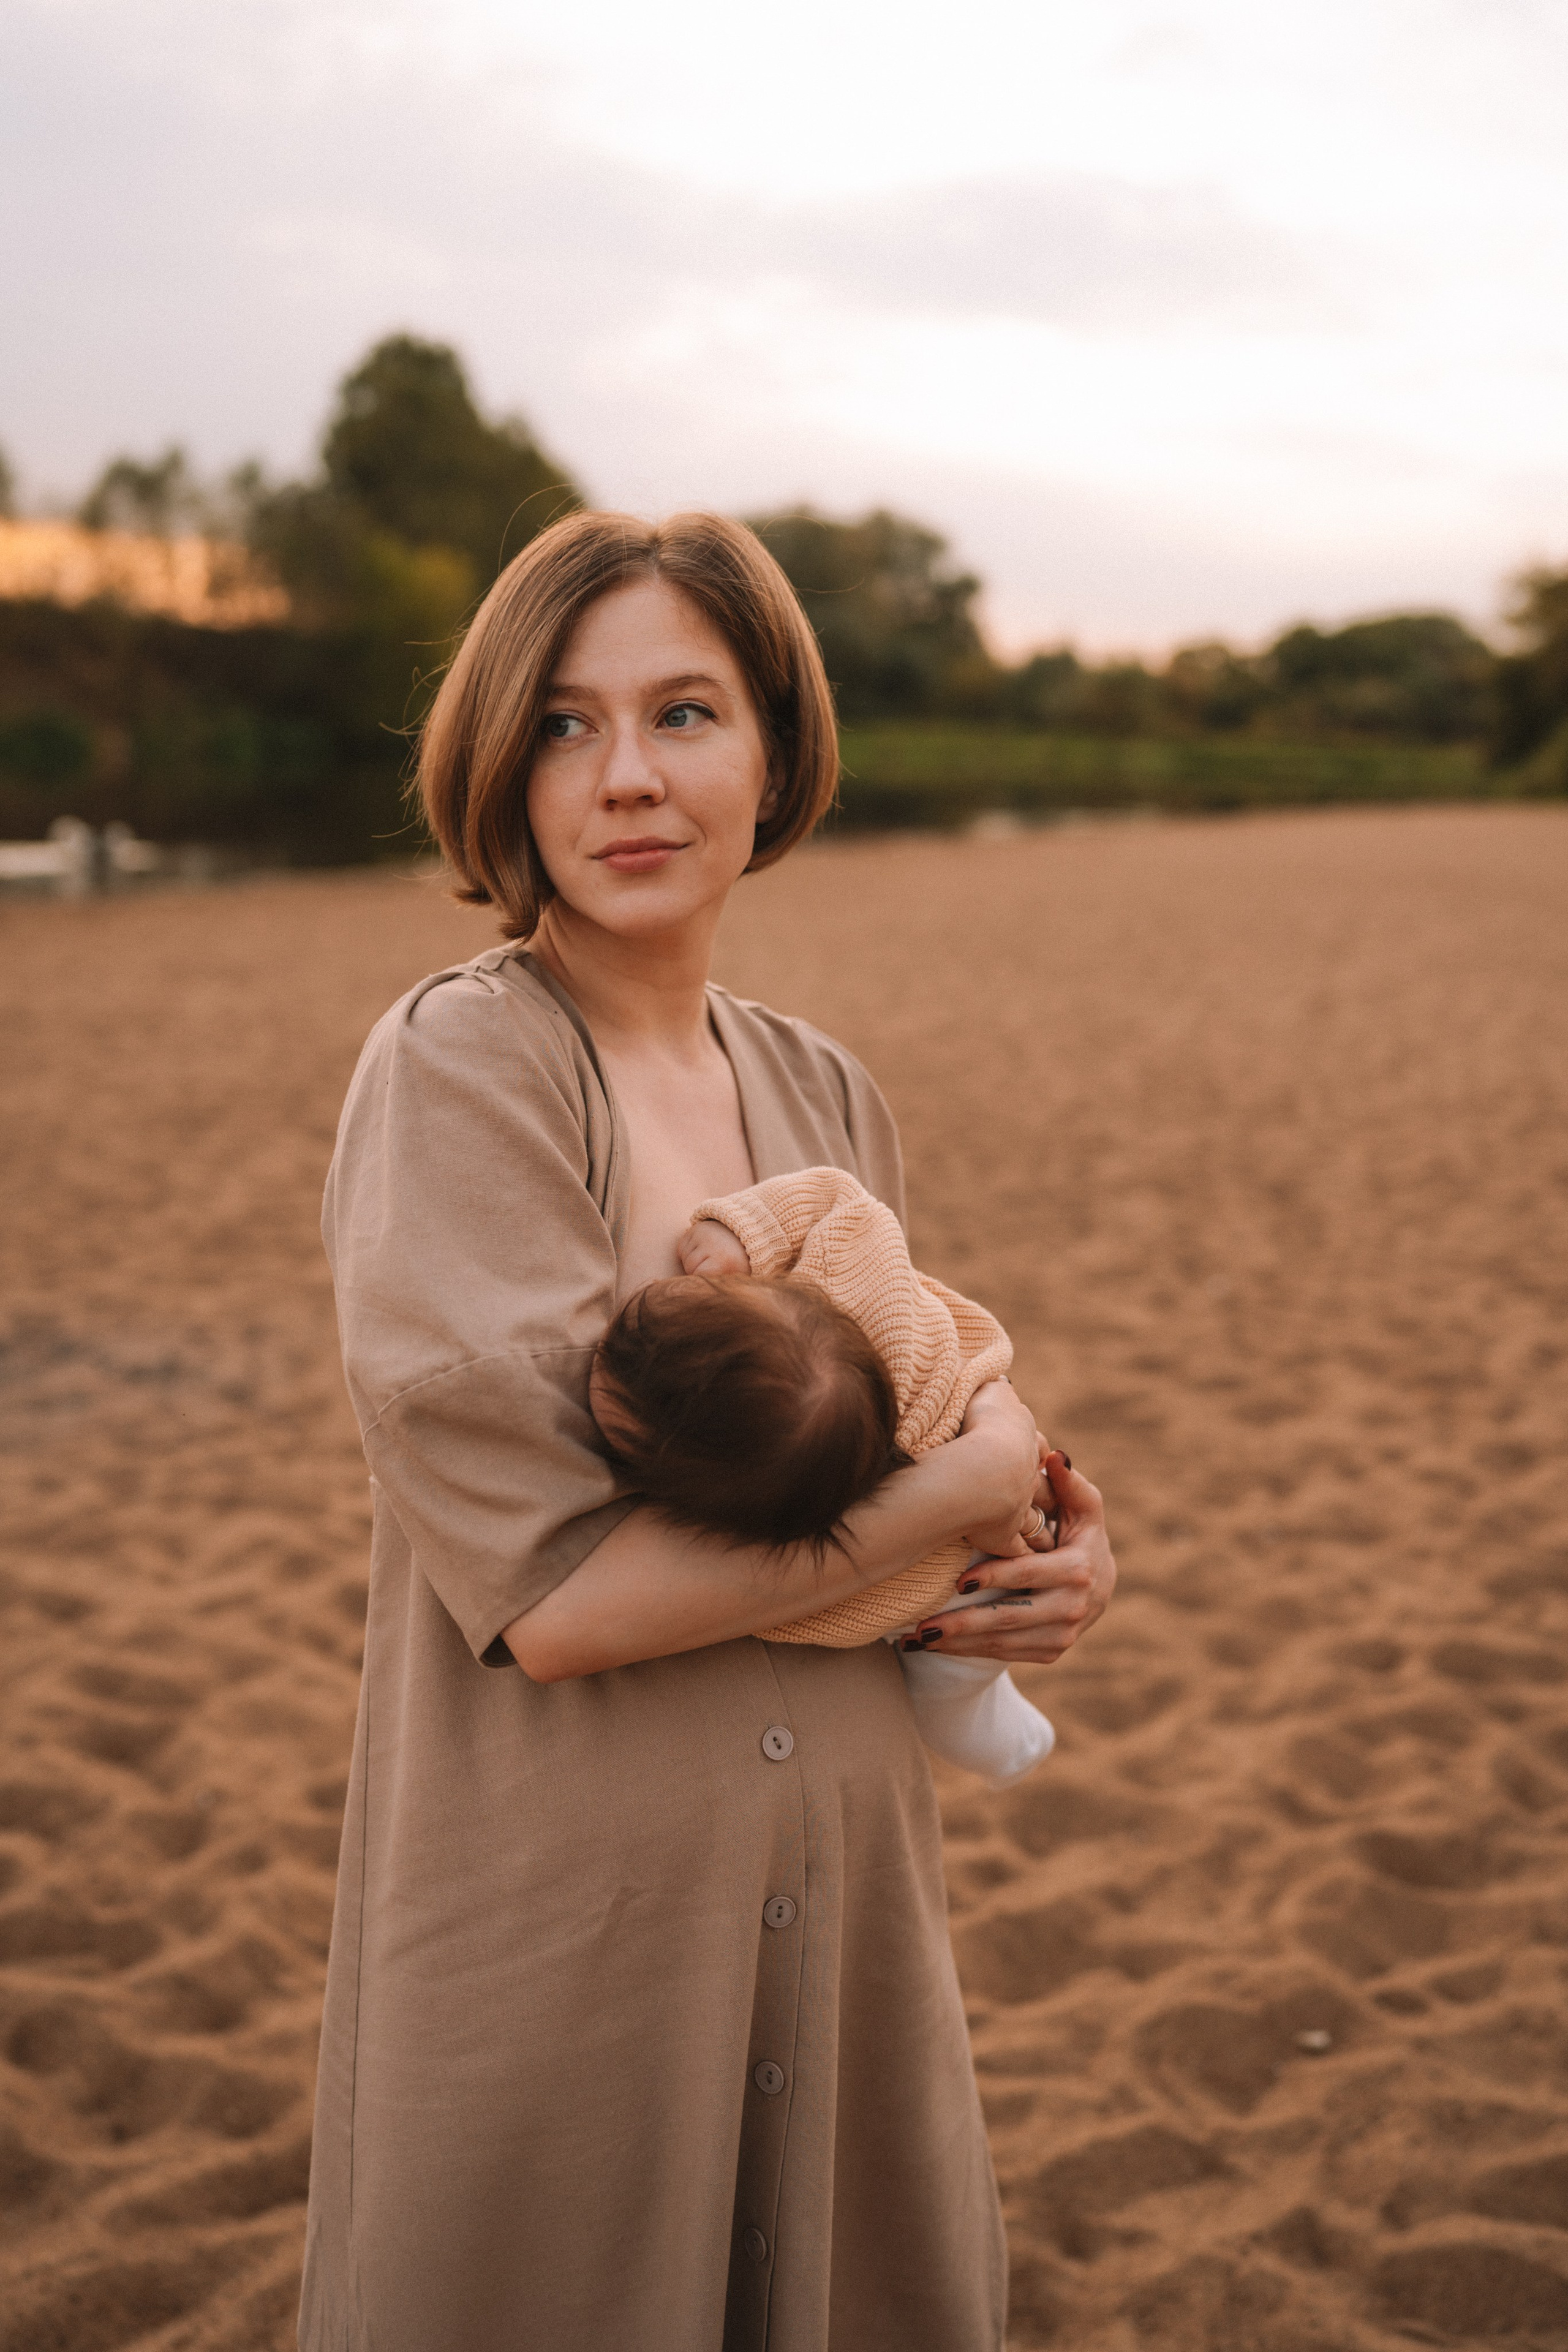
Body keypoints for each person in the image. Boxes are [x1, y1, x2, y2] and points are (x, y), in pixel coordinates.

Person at [299, 509, 1117, 2352]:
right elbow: (563, 1603)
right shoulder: (460, 1067)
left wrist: (1037, 1543)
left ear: (773, 747)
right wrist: (951, 1488)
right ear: (500, 772)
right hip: (566, 1929)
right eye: (567, 727)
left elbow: (919, 1405)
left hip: (840, 1901)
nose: (628, 779)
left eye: (683, 712)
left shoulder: (819, 1086)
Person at [590, 1162, 1061, 1784]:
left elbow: (781, 1605)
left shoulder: (794, 1521)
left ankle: (1014, 1745)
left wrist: (744, 1230)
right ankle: (1018, 1745)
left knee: (949, 1697)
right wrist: (743, 1238)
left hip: (983, 1562)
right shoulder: (850, 1289)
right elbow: (839, 1200)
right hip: (998, 1545)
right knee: (961, 1691)